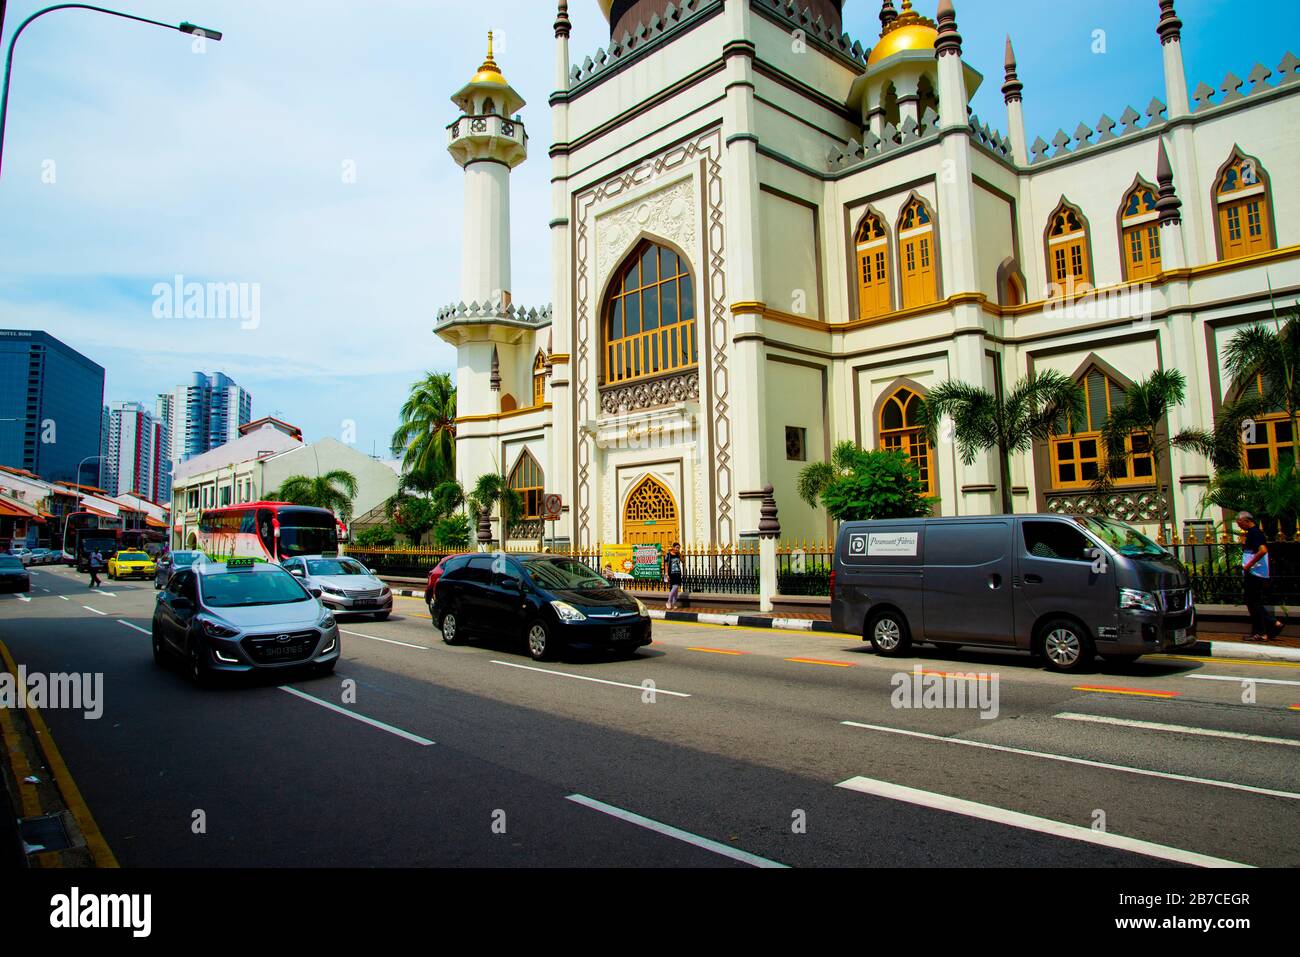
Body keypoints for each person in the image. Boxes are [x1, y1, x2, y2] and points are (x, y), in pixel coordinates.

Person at [1237, 512, 1283, 642]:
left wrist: (1248, 565)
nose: (1239, 525)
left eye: (1239, 522)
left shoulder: (1254, 533)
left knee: (1253, 602)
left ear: (1246, 520)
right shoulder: (1252, 532)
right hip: (1254, 573)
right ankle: (1272, 624)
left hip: (1254, 573)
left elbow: (1263, 550)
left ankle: (1261, 632)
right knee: (1253, 602)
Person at [664, 542, 684, 610]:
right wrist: (667, 574)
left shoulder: (678, 554)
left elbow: (683, 561)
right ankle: (668, 602)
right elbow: (666, 564)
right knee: (675, 587)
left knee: (676, 590)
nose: (678, 549)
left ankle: (674, 603)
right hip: (671, 573)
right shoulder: (668, 555)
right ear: (673, 547)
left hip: (678, 573)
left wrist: (680, 554)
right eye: (677, 547)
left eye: (679, 548)